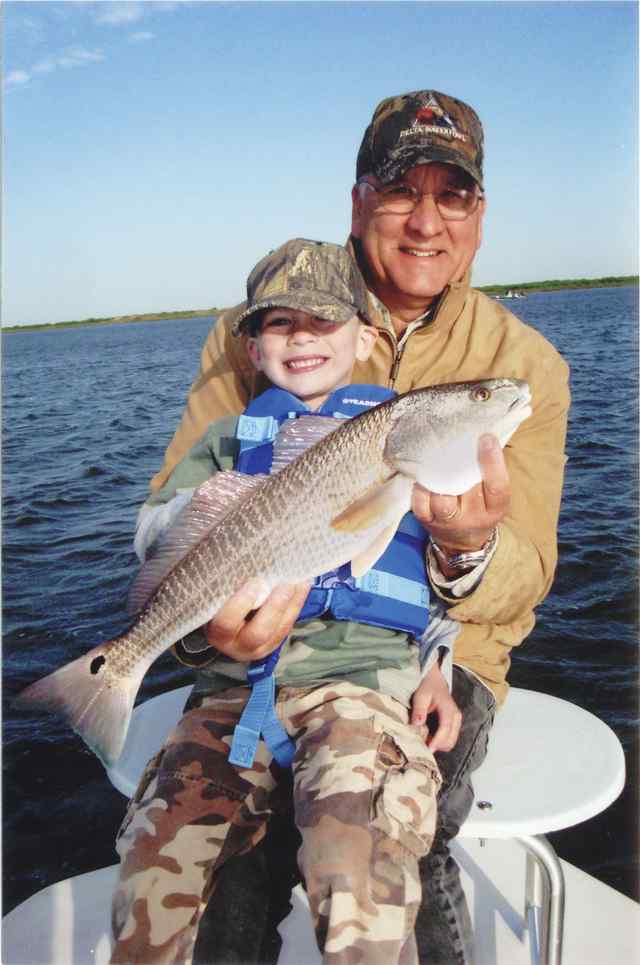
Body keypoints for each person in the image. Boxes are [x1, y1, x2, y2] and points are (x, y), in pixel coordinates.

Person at [131, 90, 570, 965]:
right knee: (225, 843)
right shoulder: (249, 330)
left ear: (480, 214)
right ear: (360, 198)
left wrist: (467, 551)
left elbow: (528, 577)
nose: (427, 221)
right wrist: (202, 637)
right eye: (404, 188)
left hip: (441, 646)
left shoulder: (527, 367)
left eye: (455, 195)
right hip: (253, 637)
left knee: (415, 814)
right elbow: (174, 521)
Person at [112, 237, 463, 965]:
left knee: (358, 859)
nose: (302, 334)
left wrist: (442, 663)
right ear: (249, 347)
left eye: (326, 319)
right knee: (156, 861)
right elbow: (153, 534)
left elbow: (441, 581)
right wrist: (211, 517)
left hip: (360, 685)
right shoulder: (225, 441)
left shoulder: (408, 441)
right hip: (230, 696)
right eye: (279, 322)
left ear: (366, 336)